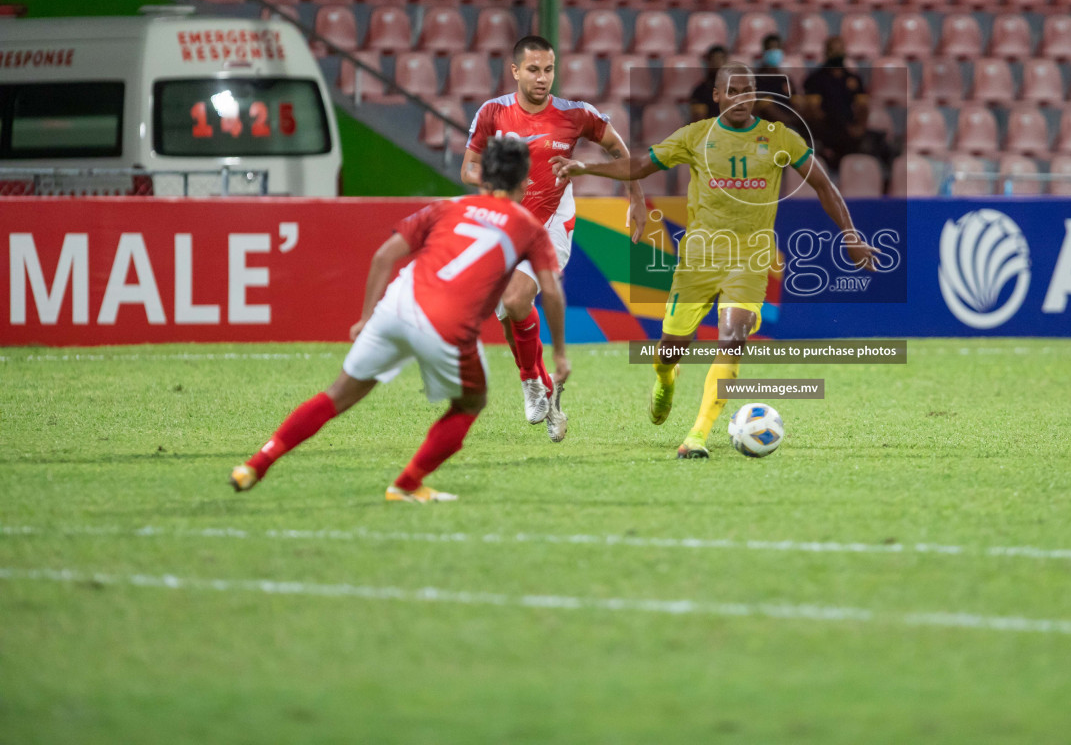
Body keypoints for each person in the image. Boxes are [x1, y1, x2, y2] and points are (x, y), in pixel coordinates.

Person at [552, 63, 879, 459]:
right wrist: (586, 166)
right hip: (699, 258)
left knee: (733, 338)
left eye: (748, 91)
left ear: (757, 96)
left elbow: (824, 185)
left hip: (751, 258)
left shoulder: (779, 138)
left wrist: (851, 235)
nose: (741, 98)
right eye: (733, 90)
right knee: (670, 349)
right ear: (717, 96)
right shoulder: (696, 136)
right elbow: (640, 166)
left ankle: (697, 435)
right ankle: (666, 379)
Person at [229, 137, 568, 502]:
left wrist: (365, 318)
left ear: (482, 176)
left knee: (338, 394)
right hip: (448, 326)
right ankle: (406, 485)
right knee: (471, 403)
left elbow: (384, 256)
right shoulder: (529, 228)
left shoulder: (447, 207)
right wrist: (560, 355)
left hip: (396, 305)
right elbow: (550, 292)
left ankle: (256, 464)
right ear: (524, 183)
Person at [461, 35, 644, 440]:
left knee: (514, 299)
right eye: (533, 70)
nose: (542, 78)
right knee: (510, 315)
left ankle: (531, 381)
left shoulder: (576, 114)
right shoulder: (492, 113)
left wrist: (637, 199)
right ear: (515, 71)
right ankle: (538, 382)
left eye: (548, 70)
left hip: (551, 221)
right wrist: (499, 182)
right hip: (505, 222)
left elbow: (620, 151)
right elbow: (468, 168)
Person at [802, 36, 870, 168]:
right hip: (826, 129)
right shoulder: (816, 79)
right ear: (826, 53)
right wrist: (839, 126)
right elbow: (814, 111)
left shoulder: (853, 78)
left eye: (840, 50)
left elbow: (863, 106)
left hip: (850, 128)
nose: (837, 54)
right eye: (834, 50)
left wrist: (859, 127)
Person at [687, 44, 730, 121]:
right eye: (715, 60)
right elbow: (699, 121)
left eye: (722, 59)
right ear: (709, 62)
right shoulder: (700, 91)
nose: (718, 63)